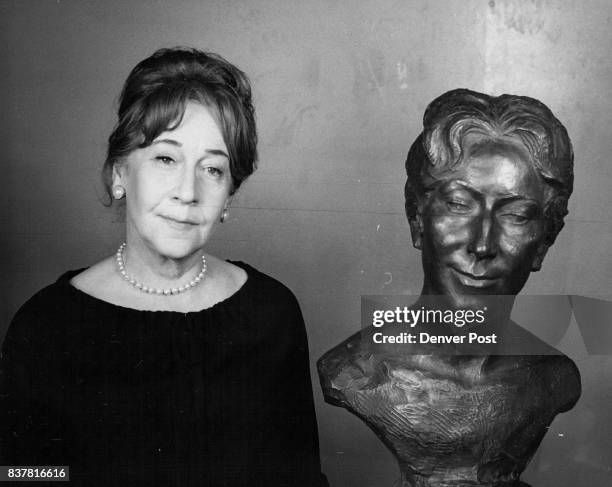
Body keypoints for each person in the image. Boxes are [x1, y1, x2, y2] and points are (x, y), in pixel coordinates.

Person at [0, 47, 327, 487]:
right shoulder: (46, 327)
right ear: (120, 173)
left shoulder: (271, 315)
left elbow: (298, 478)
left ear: (229, 195)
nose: (187, 192)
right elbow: (24, 476)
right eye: (165, 158)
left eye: (212, 169)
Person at [318, 89, 580, 487]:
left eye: (516, 215)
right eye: (459, 205)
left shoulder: (553, 378)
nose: (482, 244)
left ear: (544, 241)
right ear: (417, 219)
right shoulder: (356, 370)